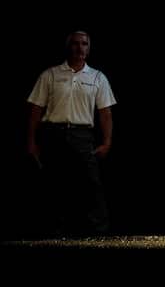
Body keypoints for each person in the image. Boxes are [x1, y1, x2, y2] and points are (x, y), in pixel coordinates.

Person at [26, 31, 116, 236]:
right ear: (68, 46)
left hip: (82, 136)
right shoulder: (50, 75)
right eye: (75, 43)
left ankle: (98, 232)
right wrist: (31, 141)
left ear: (89, 49)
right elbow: (35, 110)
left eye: (84, 44)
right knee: (53, 183)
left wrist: (107, 142)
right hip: (53, 134)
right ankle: (53, 232)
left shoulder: (97, 77)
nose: (79, 47)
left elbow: (105, 113)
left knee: (91, 184)